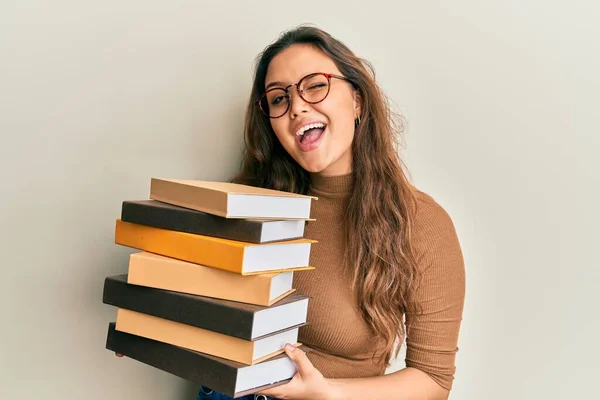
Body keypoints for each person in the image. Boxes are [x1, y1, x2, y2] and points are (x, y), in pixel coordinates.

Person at [122, 25, 466, 400]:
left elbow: (433, 381)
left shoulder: (421, 223)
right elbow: (206, 301)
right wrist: (153, 321)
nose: (297, 105)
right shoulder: (249, 200)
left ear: (358, 100)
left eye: (315, 85)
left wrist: (325, 392)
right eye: (278, 98)